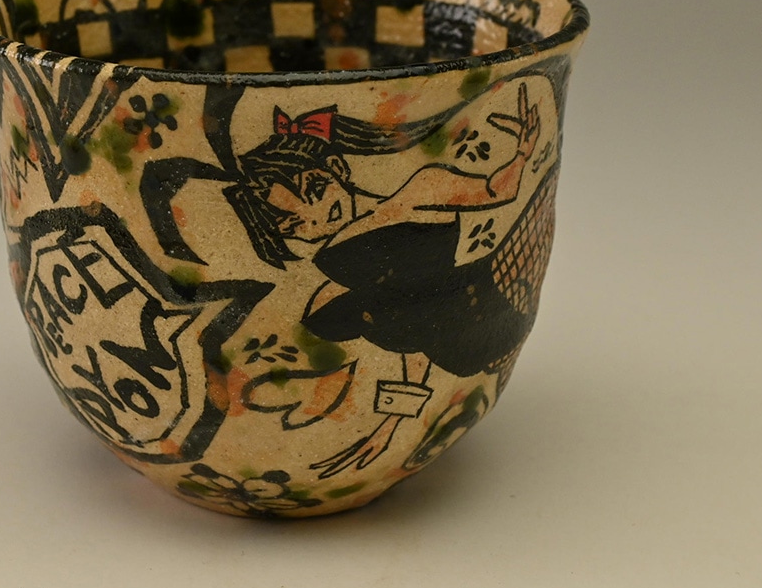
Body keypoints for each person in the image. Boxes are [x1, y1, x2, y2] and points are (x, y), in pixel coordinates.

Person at [223, 83, 541, 477]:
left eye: (315, 189)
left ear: (338, 168)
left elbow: (495, 190)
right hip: (448, 341)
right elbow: (410, 333)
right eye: (291, 222)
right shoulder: (336, 266)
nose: (316, 215)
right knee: (326, 313)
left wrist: (523, 152)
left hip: (491, 303)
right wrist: (389, 429)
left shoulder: (419, 190)